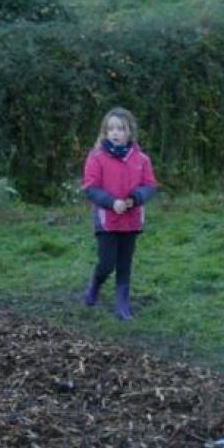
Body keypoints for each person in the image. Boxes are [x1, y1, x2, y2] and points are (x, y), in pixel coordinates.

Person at [80, 107, 158, 321]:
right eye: (111, 128)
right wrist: (111, 202)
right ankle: (95, 285)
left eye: (121, 129)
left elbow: (150, 186)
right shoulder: (96, 158)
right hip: (107, 220)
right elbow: (90, 187)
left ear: (129, 132)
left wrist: (135, 198)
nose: (116, 133)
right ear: (105, 132)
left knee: (125, 262)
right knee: (107, 263)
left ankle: (122, 303)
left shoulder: (142, 159)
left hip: (131, 220)